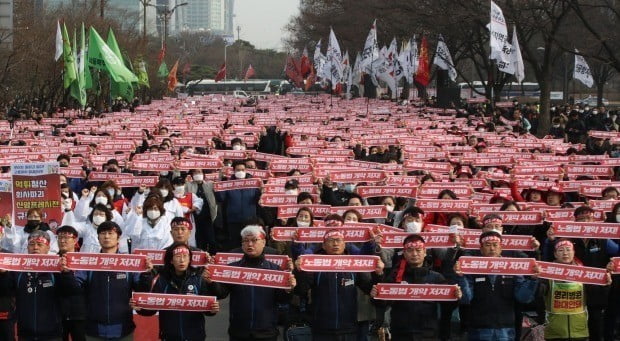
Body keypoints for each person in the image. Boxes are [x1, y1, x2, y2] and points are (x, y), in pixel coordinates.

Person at [205, 225, 296, 341]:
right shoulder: (233, 269)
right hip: (239, 332)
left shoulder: (275, 270)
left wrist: (288, 289)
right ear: (242, 244)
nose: (250, 244)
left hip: (267, 332)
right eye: (246, 241)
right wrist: (211, 282)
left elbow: (282, 299)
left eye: (254, 240)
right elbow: (221, 293)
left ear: (263, 242)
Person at [295, 229, 384, 340]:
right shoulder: (314, 265)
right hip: (321, 329)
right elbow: (301, 290)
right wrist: (300, 271)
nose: (335, 244)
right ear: (323, 245)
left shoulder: (354, 265)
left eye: (338, 240)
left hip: (349, 328)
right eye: (331, 240)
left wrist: (378, 274)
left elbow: (370, 289)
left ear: (344, 244)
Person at [71, 221, 153, 340]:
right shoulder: (89, 263)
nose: (107, 236)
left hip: (123, 330)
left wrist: (146, 273)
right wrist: (67, 273)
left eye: (110, 233)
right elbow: (75, 288)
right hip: (94, 331)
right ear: (98, 238)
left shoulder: (129, 263)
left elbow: (142, 290)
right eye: (103, 233)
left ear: (118, 238)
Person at [371, 234, 462, 340]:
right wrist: (375, 293)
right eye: (410, 250)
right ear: (404, 253)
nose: (414, 254)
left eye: (418, 250)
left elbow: (448, 307)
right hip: (400, 334)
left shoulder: (436, 278)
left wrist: (456, 297)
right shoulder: (395, 277)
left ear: (425, 252)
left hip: (428, 335)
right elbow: (382, 303)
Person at [455, 231, 539, 340]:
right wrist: (461, 277)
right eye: (488, 245)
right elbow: (466, 298)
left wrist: (532, 280)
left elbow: (523, 298)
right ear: (481, 249)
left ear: (501, 248)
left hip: (506, 329)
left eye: (495, 245)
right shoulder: (472, 269)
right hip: (478, 329)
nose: (492, 249)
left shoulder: (512, 268)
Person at [0, 231, 78, 340]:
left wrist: (66, 273)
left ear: (48, 247)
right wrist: (3, 275)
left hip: (52, 334)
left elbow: (72, 291)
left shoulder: (57, 268)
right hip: (25, 333)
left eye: (40, 244)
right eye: (32, 244)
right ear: (27, 247)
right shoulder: (18, 270)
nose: (35, 247)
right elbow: (5, 291)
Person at [133, 243, 221, 340]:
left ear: (189, 260)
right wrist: (139, 307)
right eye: (178, 256)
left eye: (185, 256)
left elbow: (207, 309)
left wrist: (212, 309)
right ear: (171, 260)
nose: (182, 260)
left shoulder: (198, 280)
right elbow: (152, 309)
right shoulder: (162, 281)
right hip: (169, 336)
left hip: (195, 336)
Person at [539, 239, 611, 340]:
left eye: (568, 250)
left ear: (573, 253)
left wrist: (605, 284)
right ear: (555, 254)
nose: (565, 253)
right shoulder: (547, 273)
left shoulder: (583, 272)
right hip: (555, 332)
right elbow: (538, 293)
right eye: (560, 250)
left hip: (579, 332)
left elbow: (595, 294)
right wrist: (535, 281)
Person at [215, 160, 261, 249]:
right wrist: (219, 182)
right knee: (235, 244)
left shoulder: (253, 182)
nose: (240, 172)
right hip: (233, 221)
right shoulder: (228, 183)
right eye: (238, 170)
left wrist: (262, 190)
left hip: (250, 221)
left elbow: (258, 199)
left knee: (250, 244)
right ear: (234, 171)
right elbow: (221, 198)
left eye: (242, 170)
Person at [185, 169, 219, 252]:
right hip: (194, 217)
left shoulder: (210, 184)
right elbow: (178, 184)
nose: (197, 174)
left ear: (203, 174)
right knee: (199, 240)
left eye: (199, 172)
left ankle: (212, 257)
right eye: (195, 172)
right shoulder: (188, 185)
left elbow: (220, 184)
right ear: (192, 175)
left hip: (207, 217)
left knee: (211, 240)